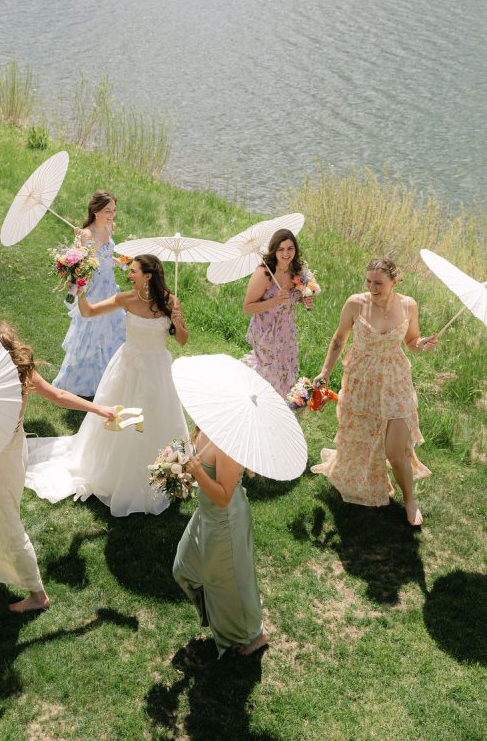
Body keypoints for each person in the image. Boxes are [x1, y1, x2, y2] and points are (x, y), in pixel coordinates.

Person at [0, 322, 115, 613]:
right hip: (13, 453)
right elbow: (58, 396)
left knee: (8, 526)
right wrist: (99, 409)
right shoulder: (20, 372)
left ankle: (37, 594)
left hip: (1, 462)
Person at [26, 255, 189, 516]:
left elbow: (182, 340)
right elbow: (89, 312)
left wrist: (178, 322)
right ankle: (114, 470)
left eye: (134, 271)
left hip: (158, 369)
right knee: (121, 418)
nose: (129, 275)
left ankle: (163, 470)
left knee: (158, 417)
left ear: (148, 276)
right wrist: (80, 294)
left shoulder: (171, 301)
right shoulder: (126, 298)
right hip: (128, 368)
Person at [311, 258, 438, 526]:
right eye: (368, 281)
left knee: (395, 450)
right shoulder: (355, 303)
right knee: (362, 437)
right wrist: (325, 372)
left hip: (395, 380)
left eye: (378, 283)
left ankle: (410, 501)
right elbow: (339, 339)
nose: (372, 287)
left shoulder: (408, 305)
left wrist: (421, 343)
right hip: (361, 380)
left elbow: (411, 342)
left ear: (395, 281)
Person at [174, 427, 268, 658]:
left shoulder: (230, 444)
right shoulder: (206, 426)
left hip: (225, 521)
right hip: (206, 513)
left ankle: (255, 635)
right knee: (184, 567)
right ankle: (217, 612)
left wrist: (198, 472)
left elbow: (224, 498)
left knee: (231, 583)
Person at [53, 191, 126, 397]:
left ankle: (108, 379)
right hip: (95, 290)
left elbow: (105, 256)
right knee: (92, 332)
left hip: (110, 287)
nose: (112, 215)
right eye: (108, 211)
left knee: (113, 331)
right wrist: (79, 242)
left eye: (114, 210)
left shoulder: (109, 227)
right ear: (96, 211)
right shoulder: (86, 234)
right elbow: (78, 265)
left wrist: (118, 262)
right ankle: (80, 380)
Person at [242, 229, 318, 400]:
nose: (286, 253)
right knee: (269, 374)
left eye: (290, 248)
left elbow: (294, 297)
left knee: (285, 372)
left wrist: (304, 299)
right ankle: (257, 404)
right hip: (266, 333)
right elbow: (247, 308)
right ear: (274, 250)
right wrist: (275, 300)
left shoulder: (297, 271)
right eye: (281, 249)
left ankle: (277, 409)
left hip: (287, 332)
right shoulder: (264, 273)